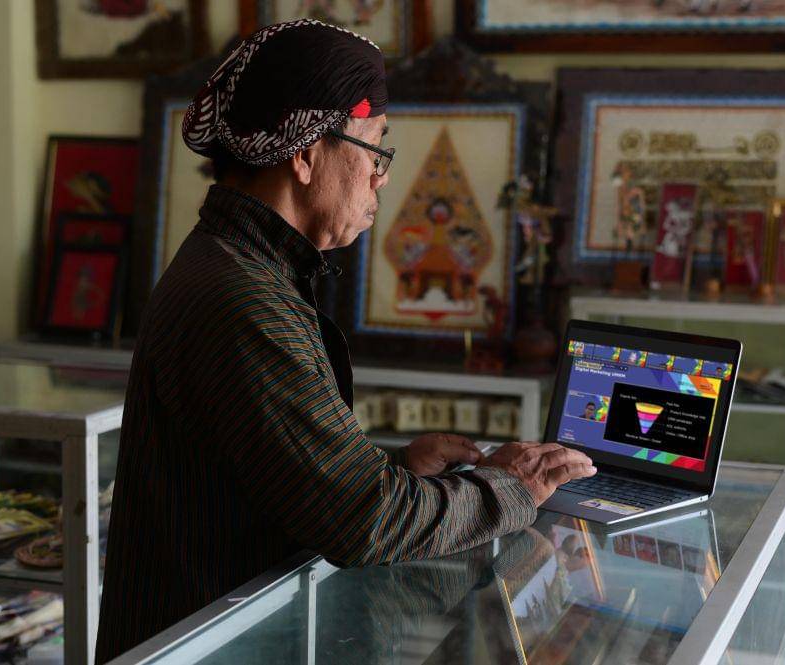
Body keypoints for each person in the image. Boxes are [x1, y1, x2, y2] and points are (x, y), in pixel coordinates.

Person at [95, 20, 595, 662]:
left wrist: (397, 472)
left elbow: (280, 477)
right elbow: (364, 520)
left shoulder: (241, 267)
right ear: (305, 155)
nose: (381, 178)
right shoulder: (243, 298)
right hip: (205, 648)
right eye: (374, 150)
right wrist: (512, 488)